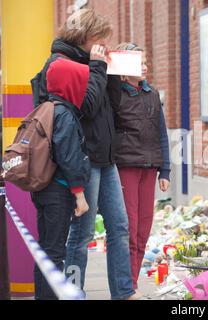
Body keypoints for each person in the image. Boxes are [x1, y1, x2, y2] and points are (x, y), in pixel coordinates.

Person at [32, 9, 137, 300]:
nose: (105, 43)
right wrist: (98, 68)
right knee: (82, 234)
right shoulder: (62, 65)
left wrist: (112, 73)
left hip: (106, 158)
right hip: (84, 159)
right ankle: (74, 292)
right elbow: (87, 107)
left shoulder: (94, 63)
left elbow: (111, 105)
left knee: (119, 226)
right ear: (86, 37)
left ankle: (124, 292)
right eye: (101, 38)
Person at [112, 43, 171, 294]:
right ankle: (128, 288)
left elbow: (162, 133)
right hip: (126, 167)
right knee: (129, 229)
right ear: (124, 70)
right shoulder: (115, 95)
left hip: (150, 168)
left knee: (144, 230)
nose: (145, 66)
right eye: (138, 63)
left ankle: (131, 285)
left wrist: (165, 170)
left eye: (145, 62)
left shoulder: (152, 94)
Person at [32, 58, 91, 300]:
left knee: (46, 251)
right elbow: (68, 156)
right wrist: (79, 195)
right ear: (71, 84)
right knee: (55, 253)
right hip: (59, 190)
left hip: (43, 189)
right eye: (81, 82)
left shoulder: (46, 107)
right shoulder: (65, 114)